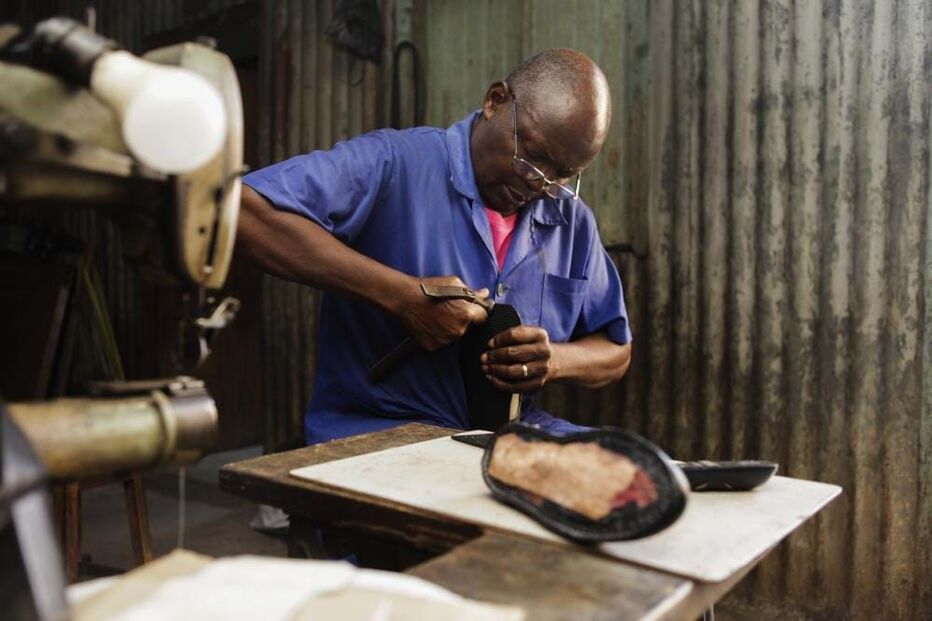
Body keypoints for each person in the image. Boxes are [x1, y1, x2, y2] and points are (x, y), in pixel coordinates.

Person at [237, 48, 632, 445]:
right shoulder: (396, 164)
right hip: (377, 435)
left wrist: (556, 360)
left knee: (645, 479)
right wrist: (400, 296)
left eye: (563, 175)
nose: (539, 183)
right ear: (495, 101)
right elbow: (244, 212)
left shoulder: (571, 220)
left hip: (507, 439)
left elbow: (615, 350)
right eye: (531, 156)